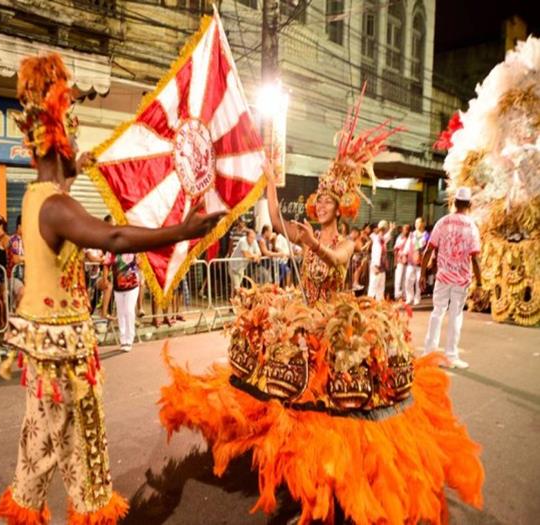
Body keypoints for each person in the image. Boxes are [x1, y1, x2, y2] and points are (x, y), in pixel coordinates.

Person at [158, 99, 483, 524]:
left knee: (331, 410)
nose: (321, 204)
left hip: (336, 325)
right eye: (319, 199)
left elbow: (336, 261)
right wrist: (271, 183)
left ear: (340, 204)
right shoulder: (303, 230)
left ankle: (330, 479)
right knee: (287, 394)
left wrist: (313, 245)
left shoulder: (347, 240)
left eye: (328, 200)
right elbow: (275, 218)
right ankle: (291, 465)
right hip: (302, 321)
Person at [0, 53, 223, 525]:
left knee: (35, 453)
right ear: (57, 142)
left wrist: (79, 160)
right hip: (67, 363)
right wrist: (181, 231)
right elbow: (115, 237)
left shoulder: (37, 195)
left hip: (45, 353)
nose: (78, 138)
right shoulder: (56, 207)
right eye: (72, 130)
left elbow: (65, 173)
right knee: (85, 459)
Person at [420, 188, 482, 369]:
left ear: (454, 203)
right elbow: (475, 258)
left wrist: (423, 273)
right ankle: (451, 356)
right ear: (469, 205)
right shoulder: (471, 226)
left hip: (443, 277)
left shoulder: (442, 222)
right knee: (456, 315)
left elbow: (429, 250)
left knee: (437, 313)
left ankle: (429, 352)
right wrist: (480, 282)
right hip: (461, 279)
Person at [103, 252, 140, 351]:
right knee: (121, 313)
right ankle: (123, 340)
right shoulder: (111, 251)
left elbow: (141, 263)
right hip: (118, 287)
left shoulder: (133, 248)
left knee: (129, 310)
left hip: (133, 285)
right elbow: (106, 265)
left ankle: (129, 339)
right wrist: (105, 279)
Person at [404, 217, 429, 305]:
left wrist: (415, 240)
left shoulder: (426, 235)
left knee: (419, 280)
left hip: (421, 261)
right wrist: (404, 253)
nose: (416, 224)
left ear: (423, 224)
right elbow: (407, 245)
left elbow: (420, 244)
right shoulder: (412, 234)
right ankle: (409, 297)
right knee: (408, 279)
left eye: (418, 223)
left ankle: (417, 297)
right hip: (411, 260)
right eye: (416, 223)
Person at [367, 219, 394, 300]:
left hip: (382, 267)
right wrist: (376, 266)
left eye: (384, 230)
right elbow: (376, 254)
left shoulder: (382, 240)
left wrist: (391, 229)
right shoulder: (376, 239)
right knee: (373, 286)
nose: (383, 232)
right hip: (376, 266)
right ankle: (368, 303)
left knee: (381, 287)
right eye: (382, 230)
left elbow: (386, 237)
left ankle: (380, 304)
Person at [8, 215, 25, 308]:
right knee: (23, 292)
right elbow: (16, 259)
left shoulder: (26, 240)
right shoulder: (14, 240)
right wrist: (26, 258)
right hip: (13, 276)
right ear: (19, 226)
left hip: (24, 278)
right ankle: (14, 310)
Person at [393, 223, 411, 301]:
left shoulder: (411, 237)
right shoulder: (400, 237)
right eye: (405, 229)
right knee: (398, 278)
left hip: (408, 260)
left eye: (407, 229)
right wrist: (395, 261)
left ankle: (404, 294)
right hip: (400, 260)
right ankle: (397, 295)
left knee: (406, 278)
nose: (406, 230)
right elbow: (396, 249)